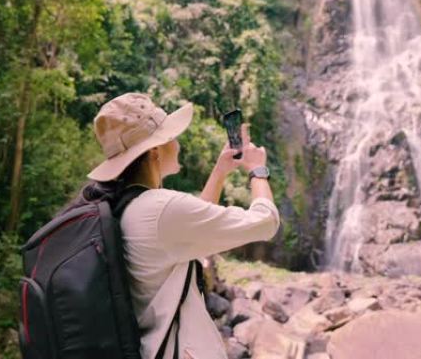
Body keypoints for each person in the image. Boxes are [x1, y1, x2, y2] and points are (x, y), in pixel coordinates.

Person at [86, 92, 280, 359]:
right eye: (171, 137)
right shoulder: (160, 210)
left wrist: (220, 170)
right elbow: (265, 222)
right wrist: (258, 170)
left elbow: (189, 230)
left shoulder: (126, 206)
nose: (177, 143)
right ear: (155, 150)